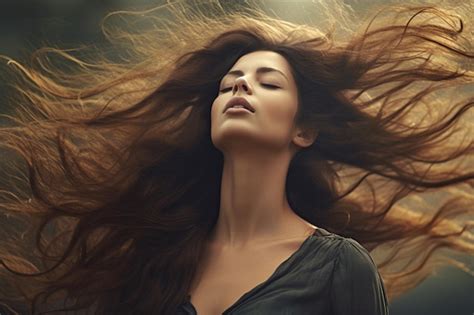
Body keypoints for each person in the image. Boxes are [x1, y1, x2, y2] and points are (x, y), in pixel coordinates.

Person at [0, 0, 472, 314]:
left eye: (267, 82)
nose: (240, 85)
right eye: (228, 84)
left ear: (303, 130)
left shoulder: (339, 269)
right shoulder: (154, 257)